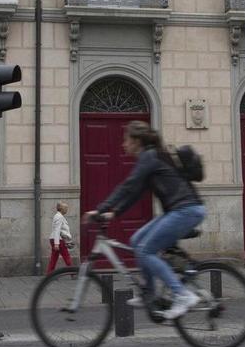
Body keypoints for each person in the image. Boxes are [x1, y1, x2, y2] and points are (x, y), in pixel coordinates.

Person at [83, 121, 205, 320]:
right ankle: (149, 293)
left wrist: (100, 209)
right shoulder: (150, 157)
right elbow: (136, 191)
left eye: (126, 140)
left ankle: (183, 295)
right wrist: (115, 212)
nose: (123, 144)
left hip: (186, 210)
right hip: (179, 209)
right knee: (136, 241)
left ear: (137, 141)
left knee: (145, 250)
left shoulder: (149, 156)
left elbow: (128, 186)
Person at [46, 201, 73, 274]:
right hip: (59, 240)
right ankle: (73, 273)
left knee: (54, 257)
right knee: (66, 255)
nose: (67, 209)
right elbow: (57, 230)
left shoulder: (58, 216)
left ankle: (49, 273)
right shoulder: (59, 217)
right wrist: (57, 244)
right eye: (65, 208)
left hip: (55, 239)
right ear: (61, 209)